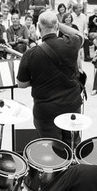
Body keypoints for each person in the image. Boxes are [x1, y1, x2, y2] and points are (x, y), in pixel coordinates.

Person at [17, 11, 84, 144]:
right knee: (72, 146)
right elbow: (80, 35)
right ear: (57, 26)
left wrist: (38, 79)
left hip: (46, 110)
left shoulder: (30, 54)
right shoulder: (71, 43)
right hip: (71, 104)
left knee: (51, 151)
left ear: (38, 26)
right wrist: (58, 24)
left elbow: (21, 84)